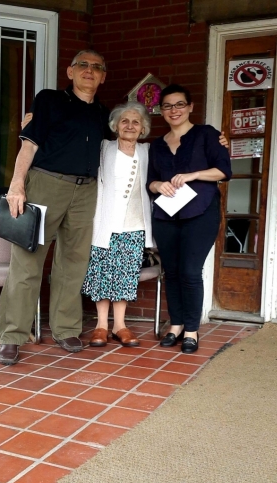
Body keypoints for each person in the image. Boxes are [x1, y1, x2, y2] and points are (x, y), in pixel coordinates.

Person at [0, 49, 112, 366]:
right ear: (70, 72)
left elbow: (128, 142)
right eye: (83, 65)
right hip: (45, 184)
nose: (90, 70)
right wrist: (17, 185)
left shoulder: (103, 114)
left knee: (73, 263)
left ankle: (66, 329)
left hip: (86, 190)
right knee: (27, 263)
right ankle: (11, 336)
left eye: (96, 67)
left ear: (103, 76)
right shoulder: (48, 100)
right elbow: (29, 144)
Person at [147, 84, 232, 354]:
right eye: (168, 106)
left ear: (190, 107)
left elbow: (224, 171)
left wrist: (193, 175)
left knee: (190, 272)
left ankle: (192, 329)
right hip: (166, 214)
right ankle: (176, 324)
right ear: (161, 111)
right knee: (171, 271)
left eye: (180, 104)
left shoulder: (207, 135)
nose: (174, 110)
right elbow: (150, 181)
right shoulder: (157, 145)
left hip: (201, 212)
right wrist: (158, 186)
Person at [81, 102, 154, 347]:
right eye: (124, 121)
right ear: (115, 126)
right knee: (102, 273)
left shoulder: (148, 151)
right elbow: (72, 142)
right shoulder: (103, 148)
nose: (130, 125)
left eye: (136, 122)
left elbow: (181, 154)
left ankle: (119, 326)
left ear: (143, 127)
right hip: (104, 221)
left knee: (125, 274)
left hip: (135, 223)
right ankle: (101, 325)